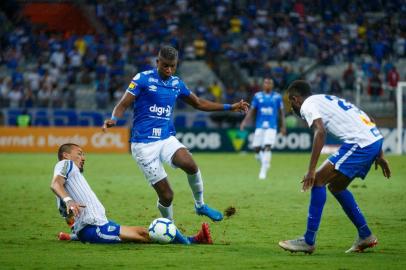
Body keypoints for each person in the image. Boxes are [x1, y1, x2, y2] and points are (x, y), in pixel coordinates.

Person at [103, 46, 249, 222]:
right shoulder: (142, 79)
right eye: (165, 65)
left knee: (190, 165)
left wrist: (229, 107)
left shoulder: (176, 83)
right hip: (143, 144)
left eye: (173, 66)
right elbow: (123, 104)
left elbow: (199, 103)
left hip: (165, 138)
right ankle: (171, 228)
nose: (169, 70)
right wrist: (114, 119)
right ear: (157, 62)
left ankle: (200, 205)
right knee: (167, 195)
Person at [279, 80, 391, 254]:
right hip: (372, 141)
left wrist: (310, 171)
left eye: (291, 102)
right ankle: (365, 235)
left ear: (295, 99)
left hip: (360, 143)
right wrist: (380, 153)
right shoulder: (324, 99)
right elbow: (369, 119)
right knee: (337, 187)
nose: (292, 107)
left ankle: (308, 241)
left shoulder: (308, 105)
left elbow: (320, 132)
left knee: (317, 180)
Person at [51, 143, 212, 245]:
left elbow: (67, 215)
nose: (83, 157)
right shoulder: (65, 164)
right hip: (95, 228)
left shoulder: (71, 179)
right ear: (66, 155)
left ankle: (193, 239)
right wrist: (69, 200)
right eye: (79, 153)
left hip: (98, 224)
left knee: (144, 232)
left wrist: (73, 231)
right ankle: (193, 241)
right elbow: (55, 184)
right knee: (145, 235)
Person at [240, 78, 286, 180]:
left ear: (272, 85)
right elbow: (252, 110)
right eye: (266, 83)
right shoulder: (257, 96)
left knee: (267, 146)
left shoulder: (277, 97)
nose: (268, 84)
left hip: (272, 126)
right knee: (256, 149)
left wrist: (283, 126)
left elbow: (281, 113)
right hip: (259, 126)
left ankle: (263, 171)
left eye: (270, 83)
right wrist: (244, 122)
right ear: (263, 85)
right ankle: (264, 164)